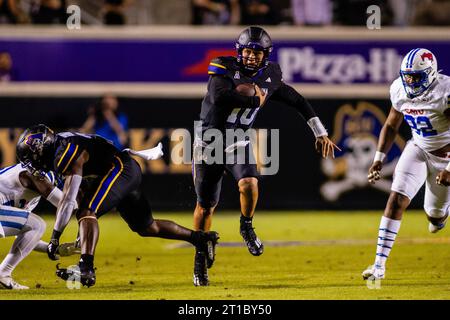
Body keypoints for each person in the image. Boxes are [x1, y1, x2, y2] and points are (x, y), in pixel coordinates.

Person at [192, 26, 340, 286]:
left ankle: (246, 225)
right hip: (209, 141)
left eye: (257, 52)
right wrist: (255, 101)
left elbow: (296, 99)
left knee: (249, 183)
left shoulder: (270, 74)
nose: (251, 56)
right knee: (205, 207)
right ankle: (200, 257)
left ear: (266, 55)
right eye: (248, 50)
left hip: (237, 140)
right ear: (239, 51)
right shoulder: (222, 66)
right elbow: (219, 96)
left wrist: (320, 131)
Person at [16, 125, 219, 287]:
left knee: (87, 211)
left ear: (41, 149)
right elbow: (78, 192)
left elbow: (69, 200)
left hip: (120, 169)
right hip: (120, 170)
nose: (32, 164)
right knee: (147, 227)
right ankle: (200, 239)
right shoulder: (61, 146)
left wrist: (55, 237)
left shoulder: (64, 153)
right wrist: (80, 236)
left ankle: (86, 268)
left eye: (31, 157)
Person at [362, 48, 450, 281]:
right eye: (407, 76)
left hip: (445, 157)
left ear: (430, 74)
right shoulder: (399, 89)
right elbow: (391, 125)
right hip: (418, 149)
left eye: (415, 77)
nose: (410, 81)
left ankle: (440, 217)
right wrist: (378, 158)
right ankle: (379, 266)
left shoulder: (446, 92)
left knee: (435, 216)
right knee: (396, 199)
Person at [0, 164, 79, 290]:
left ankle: (3, 275)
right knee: (38, 224)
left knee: (35, 225)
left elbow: (26, 237)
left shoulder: (33, 194)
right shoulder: (31, 173)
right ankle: (3, 274)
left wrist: (55, 249)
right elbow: (69, 205)